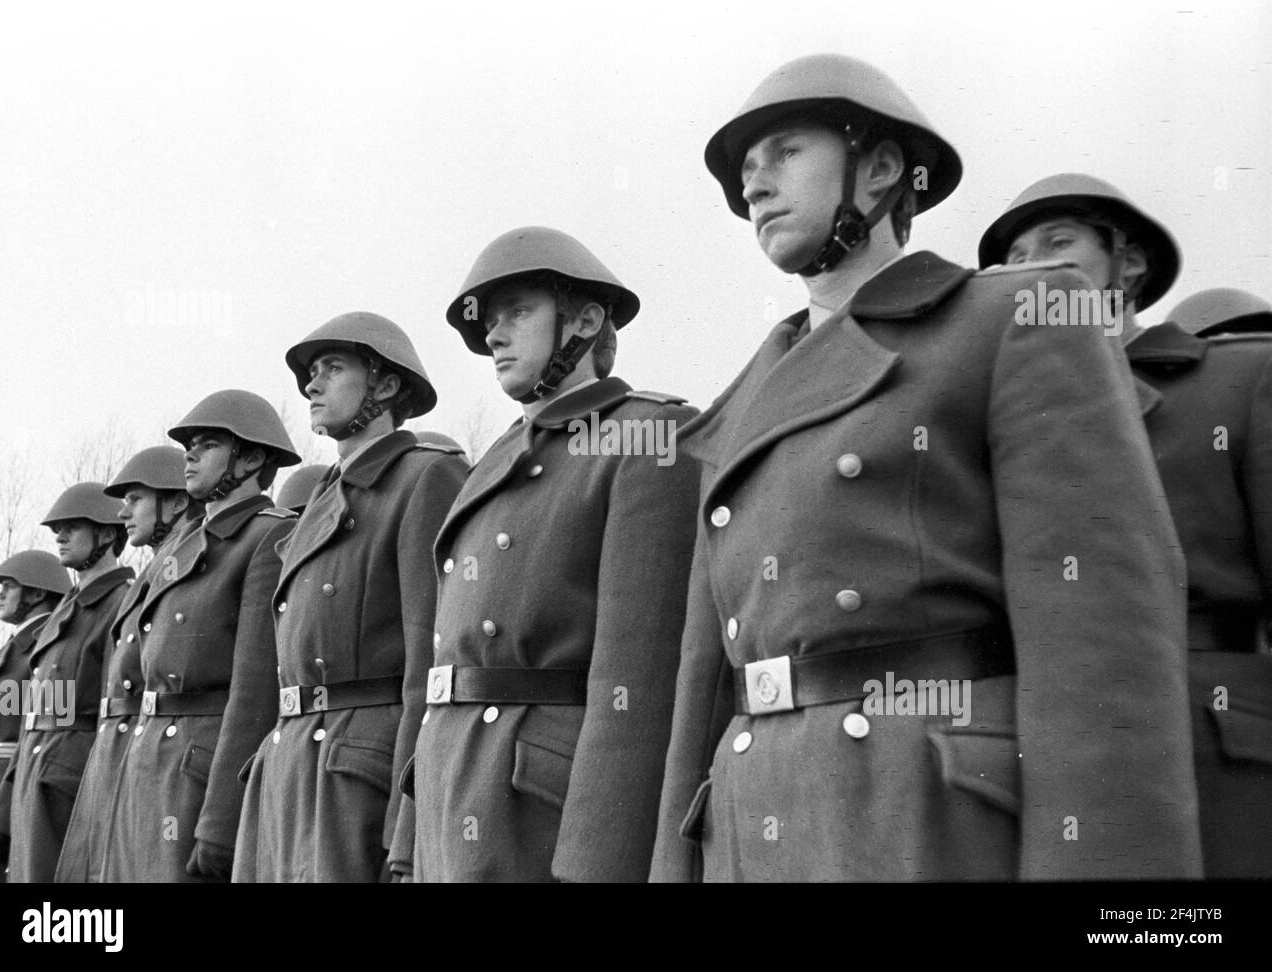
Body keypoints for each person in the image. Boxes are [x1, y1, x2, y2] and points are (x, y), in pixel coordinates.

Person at [650, 55, 1201, 882]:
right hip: (753, 822)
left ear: (878, 170)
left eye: (784, 152)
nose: (756, 185)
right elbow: (705, 686)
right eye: (745, 172)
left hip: (923, 818)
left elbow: (1104, 650)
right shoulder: (744, 400)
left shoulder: (1010, 320)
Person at [980, 179, 1272, 876]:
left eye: (1058, 244)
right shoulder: (999, 414)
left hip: (1217, 740)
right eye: (1016, 254)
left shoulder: (1240, 379)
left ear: (1128, 266)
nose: (1032, 266)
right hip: (1049, 739)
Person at [393, 227, 700, 882]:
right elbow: (443, 669)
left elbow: (637, 685)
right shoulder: (492, 461)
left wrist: (599, 861)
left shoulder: (647, 436)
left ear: (586, 320)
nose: (495, 335)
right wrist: (407, 836)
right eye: (491, 321)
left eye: (519, 312)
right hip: (454, 785)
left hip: (538, 806)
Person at [233, 312, 467, 882]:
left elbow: (430, 666)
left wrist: (407, 820)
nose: (311, 386)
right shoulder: (317, 497)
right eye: (311, 373)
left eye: (331, 369)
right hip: (292, 763)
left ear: (385, 386)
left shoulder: (422, 479)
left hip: (358, 771)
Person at [104, 391, 298, 881]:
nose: (189, 454)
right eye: (190, 444)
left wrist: (222, 816)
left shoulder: (268, 536)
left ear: (252, 458)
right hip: (148, 757)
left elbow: (254, 690)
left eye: (207, 444)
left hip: (199, 768)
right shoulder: (188, 541)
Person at [55, 446, 198, 882]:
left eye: (135, 499)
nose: (123, 512)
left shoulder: (117, 595)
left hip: (148, 756)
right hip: (108, 756)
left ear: (175, 502)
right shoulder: (151, 574)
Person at [0, 484, 134, 882]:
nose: (60, 536)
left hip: (74, 775)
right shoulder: (68, 606)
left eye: (72, 527)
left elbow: (116, 709)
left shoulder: (120, 601)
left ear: (107, 534)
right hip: (37, 769)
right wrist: (6, 800)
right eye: (57, 529)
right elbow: (36, 709)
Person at [0, 551, 71, 881]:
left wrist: (2, 810)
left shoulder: (53, 643)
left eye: (8, 586)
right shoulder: (10, 649)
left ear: (37, 592)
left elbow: (55, 730)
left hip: (5, 793)